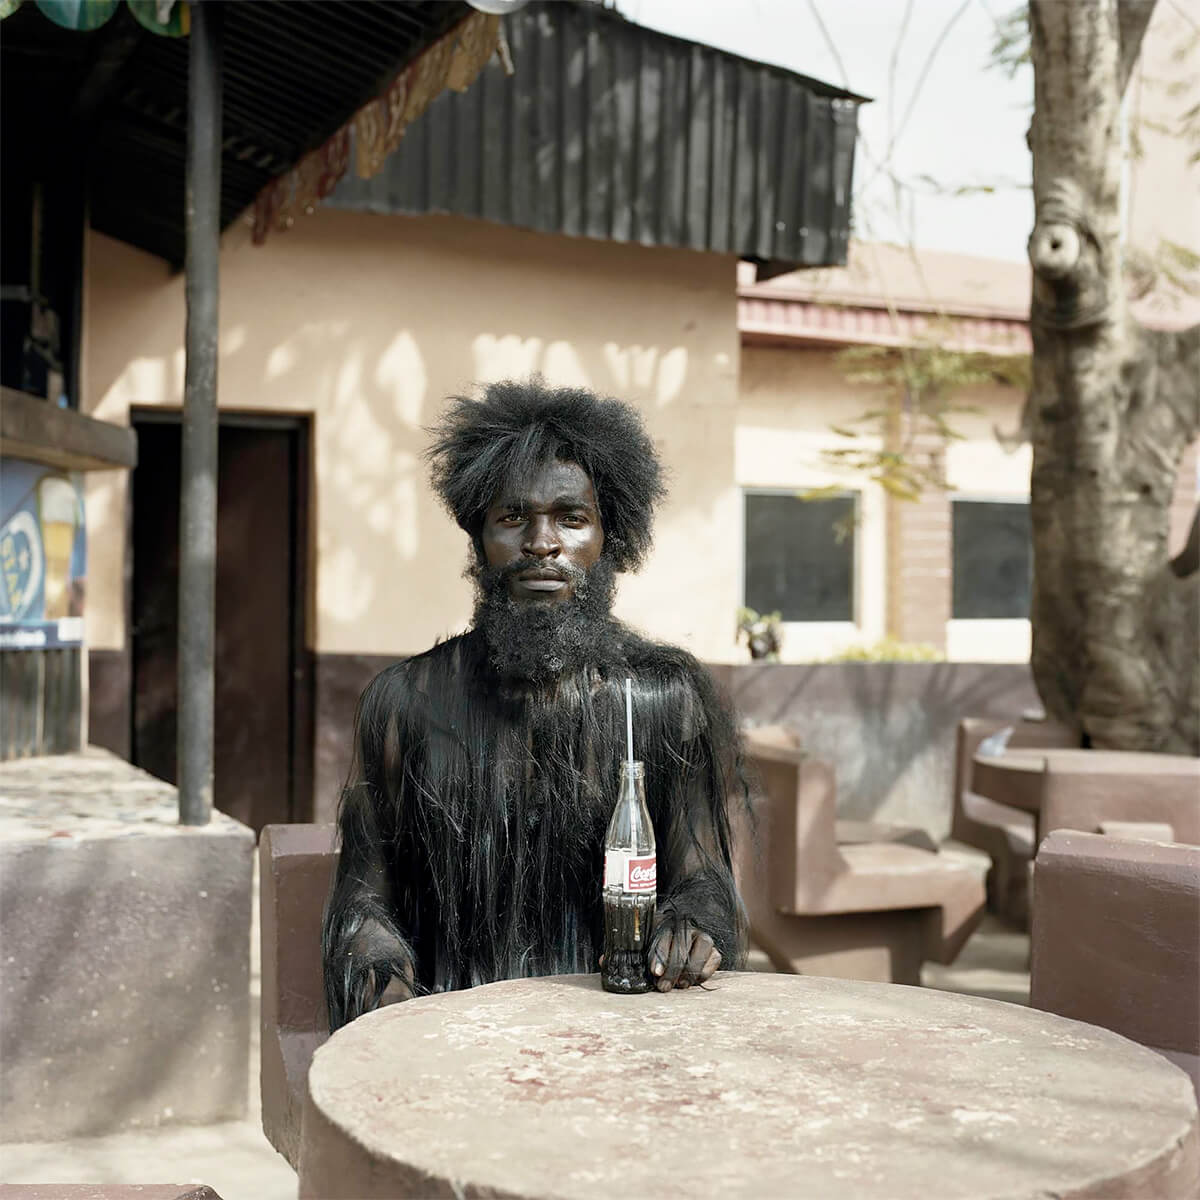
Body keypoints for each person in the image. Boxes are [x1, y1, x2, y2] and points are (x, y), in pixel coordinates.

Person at [322, 379, 747, 1030]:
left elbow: (703, 878)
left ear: (610, 537)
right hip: (458, 1035)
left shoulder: (664, 698)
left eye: (571, 518)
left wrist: (693, 924)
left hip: (628, 1028)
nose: (541, 543)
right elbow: (366, 896)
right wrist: (380, 973)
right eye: (512, 517)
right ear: (480, 539)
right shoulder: (404, 704)